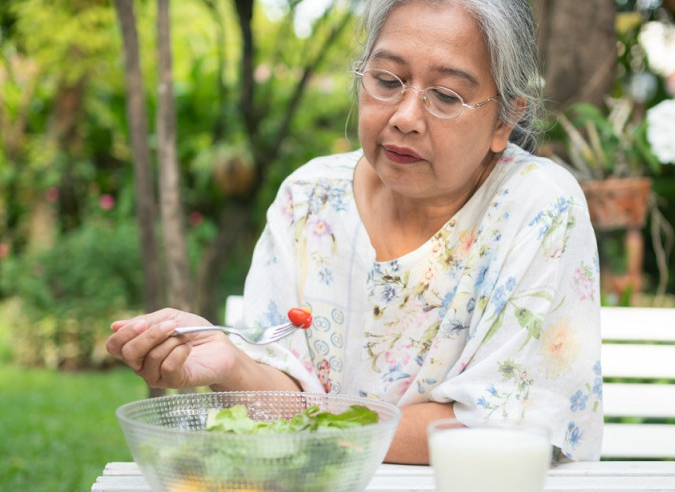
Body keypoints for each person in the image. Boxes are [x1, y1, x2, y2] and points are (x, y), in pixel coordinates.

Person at [107, 0, 603, 464]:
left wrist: (310, 423)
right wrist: (231, 368)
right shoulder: (309, 198)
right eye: (387, 81)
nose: (406, 118)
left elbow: (504, 426)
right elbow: (282, 390)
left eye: (447, 96)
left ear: (506, 118)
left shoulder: (538, 206)